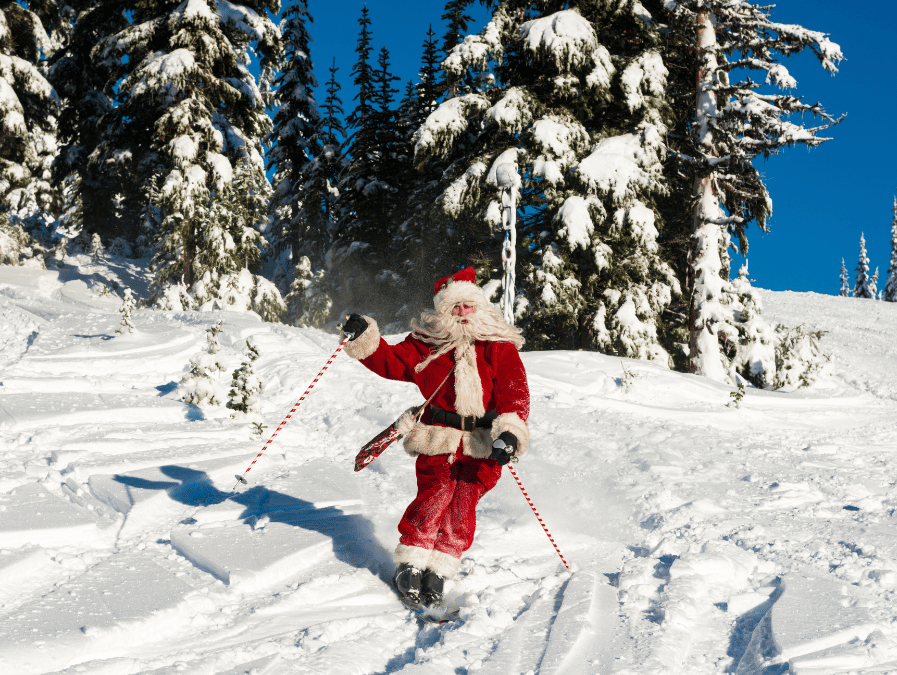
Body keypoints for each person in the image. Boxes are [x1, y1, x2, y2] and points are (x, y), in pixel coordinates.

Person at [341, 266, 530, 607]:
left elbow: (515, 394)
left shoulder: (500, 348)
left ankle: (441, 567)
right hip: (438, 436)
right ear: (443, 310)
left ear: (479, 307)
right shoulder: (428, 344)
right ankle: (411, 562)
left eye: (467, 306)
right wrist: (364, 336)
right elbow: (390, 360)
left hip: (483, 442)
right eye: (454, 307)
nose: (461, 313)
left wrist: (511, 435)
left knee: (463, 504)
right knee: (435, 495)